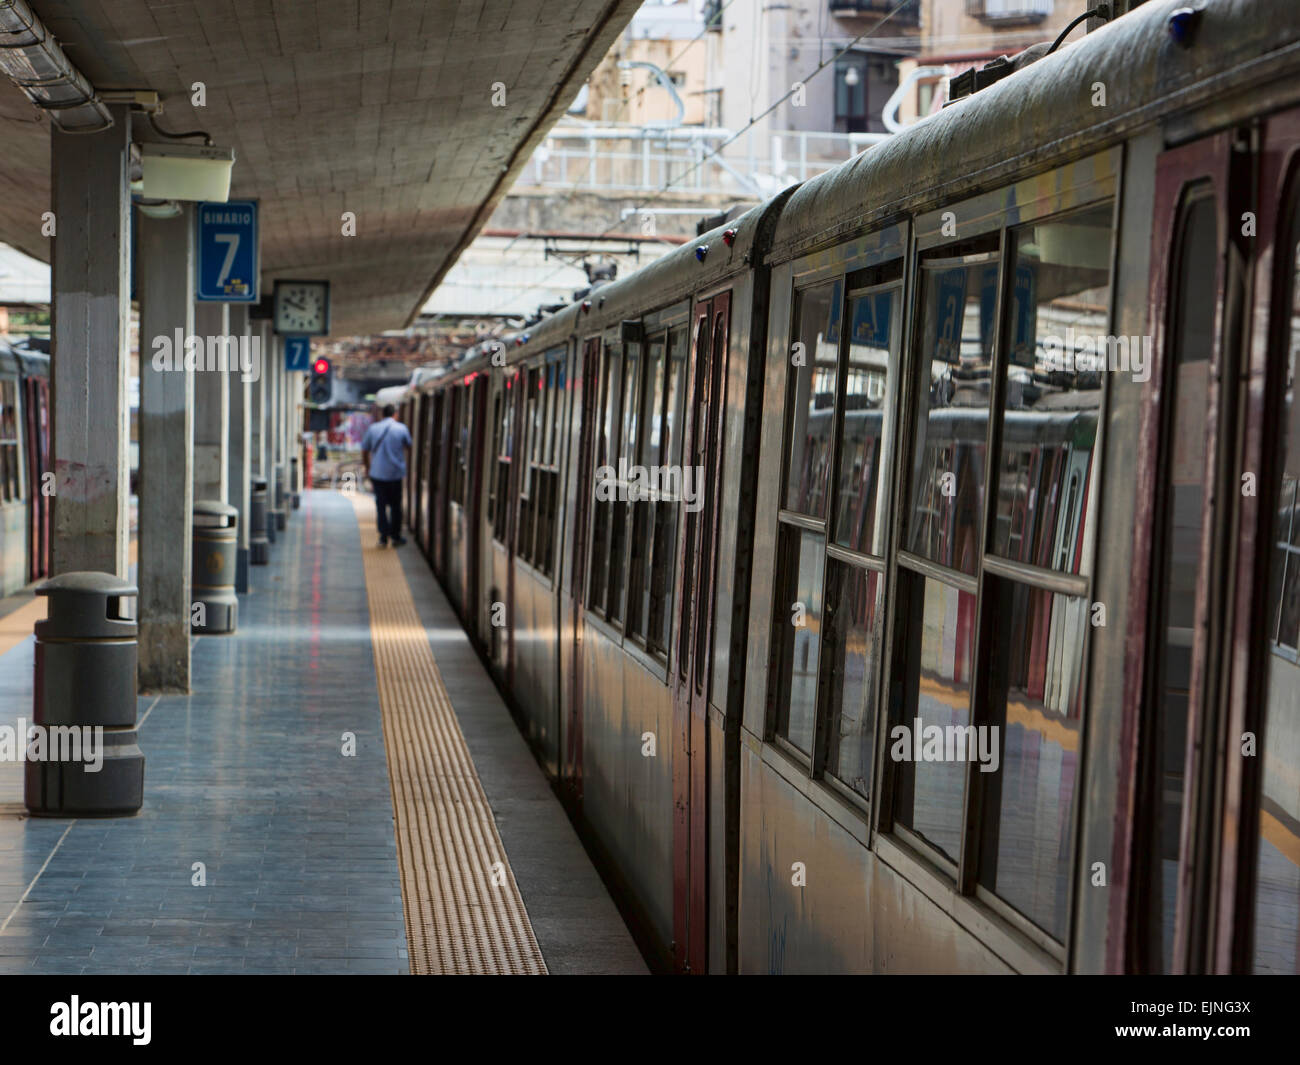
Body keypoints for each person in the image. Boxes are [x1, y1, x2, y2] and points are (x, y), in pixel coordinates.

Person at [361, 404, 412, 546]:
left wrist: (368, 467)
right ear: (395, 414)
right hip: (395, 474)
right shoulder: (402, 428)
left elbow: (364, 450)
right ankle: (395, 536)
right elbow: (409, 446)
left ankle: (383, 537)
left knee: (381, 505)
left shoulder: (373, 429)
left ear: (382, 414)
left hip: (377, 474)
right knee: (396, 506)